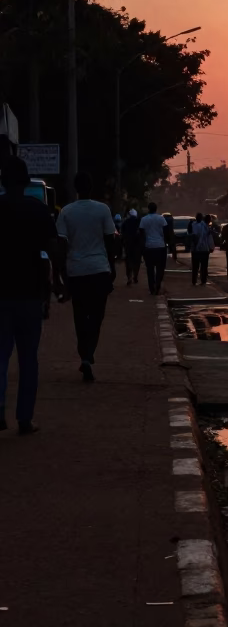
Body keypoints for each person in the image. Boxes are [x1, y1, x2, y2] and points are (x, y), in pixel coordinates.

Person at [0, 156, 64, 433]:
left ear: (3, 181)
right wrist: (59, 282)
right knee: (28, 359)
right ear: (26, 182)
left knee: (0, 358)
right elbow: (51, 249)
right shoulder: (37, 210)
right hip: (29, 295)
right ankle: (24, 418)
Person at [56, 171, 116, 383]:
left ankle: (84, 355)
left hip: (77, 271)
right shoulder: (102, 209)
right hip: (99, 269)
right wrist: (112, 269)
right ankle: (88, 355)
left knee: (80, 315)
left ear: (75, 188)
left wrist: (61, 274)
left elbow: (61, 246)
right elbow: (110, 241)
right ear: (91, 187)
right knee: (97, 316)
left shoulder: (66, 212)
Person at [139, 202, 168, 295]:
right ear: (156, 209)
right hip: (160, 246)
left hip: (149, 247)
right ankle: (157, 285)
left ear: (148, 209)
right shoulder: (161, 218)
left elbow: (141, 233)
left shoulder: (144, 219)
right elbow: (166, 231)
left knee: (150, 269)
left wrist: (142, 247)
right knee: (160, 268)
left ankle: (152, 288)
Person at [190, 212, 214, 285]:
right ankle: (202, 281)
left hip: (196, 250)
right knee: (203, 266)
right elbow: (209, 238)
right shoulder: (205, 226)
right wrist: (211, 247)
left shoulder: (193, 225)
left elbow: (192, 236)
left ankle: (195, 281)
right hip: (203, 249)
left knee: (195, 267)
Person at [121, 208, 142, 285]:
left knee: (128, 261)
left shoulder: (126, 222)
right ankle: (135, 276)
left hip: (128, 244)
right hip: (137, 245)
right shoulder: (139, 221)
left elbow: (122, 233)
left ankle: (129, 277)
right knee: (137, 261)